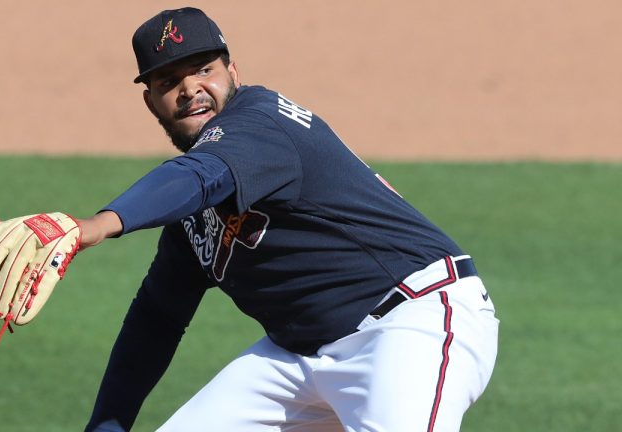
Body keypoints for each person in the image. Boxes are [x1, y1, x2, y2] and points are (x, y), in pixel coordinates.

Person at [78, 7, 498, 432]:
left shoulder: (261, 120)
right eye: (169, 82)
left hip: (407, 322)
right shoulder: (192, 209)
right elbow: (156, 319)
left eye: (203, 69)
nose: (191, 89)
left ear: (233, 73)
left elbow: (200, 175)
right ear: (150, 100)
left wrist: (93, 228)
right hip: (298, 359)